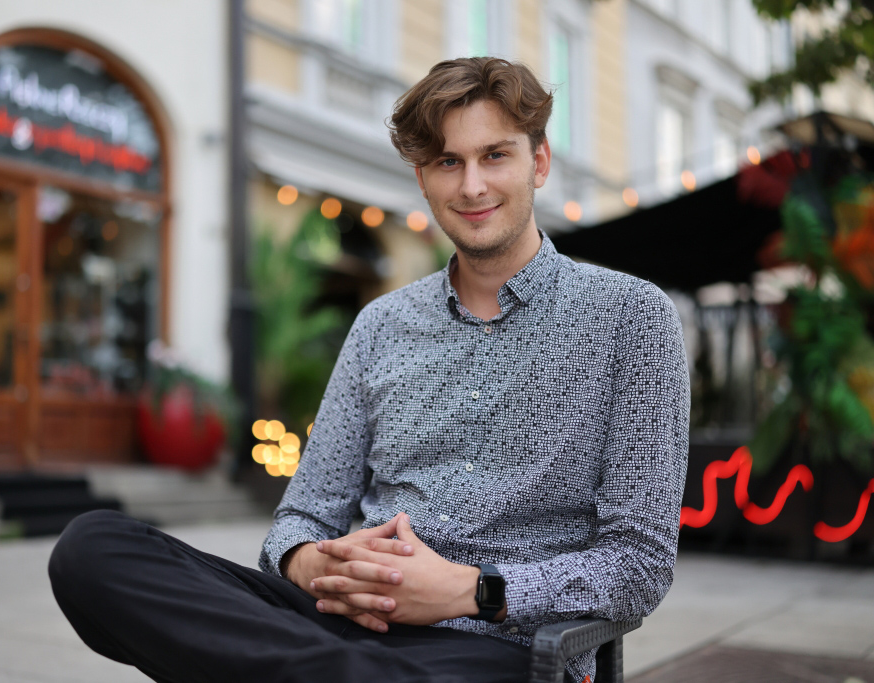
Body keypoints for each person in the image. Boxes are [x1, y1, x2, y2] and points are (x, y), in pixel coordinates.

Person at [49, 57, 690, 683]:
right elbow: (301, 519)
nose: (472, 186)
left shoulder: (631, 317)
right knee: (92, 550)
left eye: (495, 155)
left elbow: (639, 564)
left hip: (496, 644)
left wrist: (470, 590)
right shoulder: (380, 325)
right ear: (422, 179)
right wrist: (318, 565)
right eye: (448, 162)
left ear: (539, 162)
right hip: (338, 624)